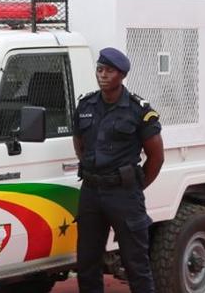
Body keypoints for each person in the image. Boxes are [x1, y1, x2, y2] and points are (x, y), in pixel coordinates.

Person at [73, 47, 165, 293]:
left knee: (136, 265)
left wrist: (134, 184)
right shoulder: (85, 105)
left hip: (124, 195)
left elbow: (156, 157)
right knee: (87, 263)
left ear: (122, 75)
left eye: (109, 71)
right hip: (91, 192)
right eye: (100, 69)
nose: (102, 75)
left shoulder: (138, 110)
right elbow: (79, 142)